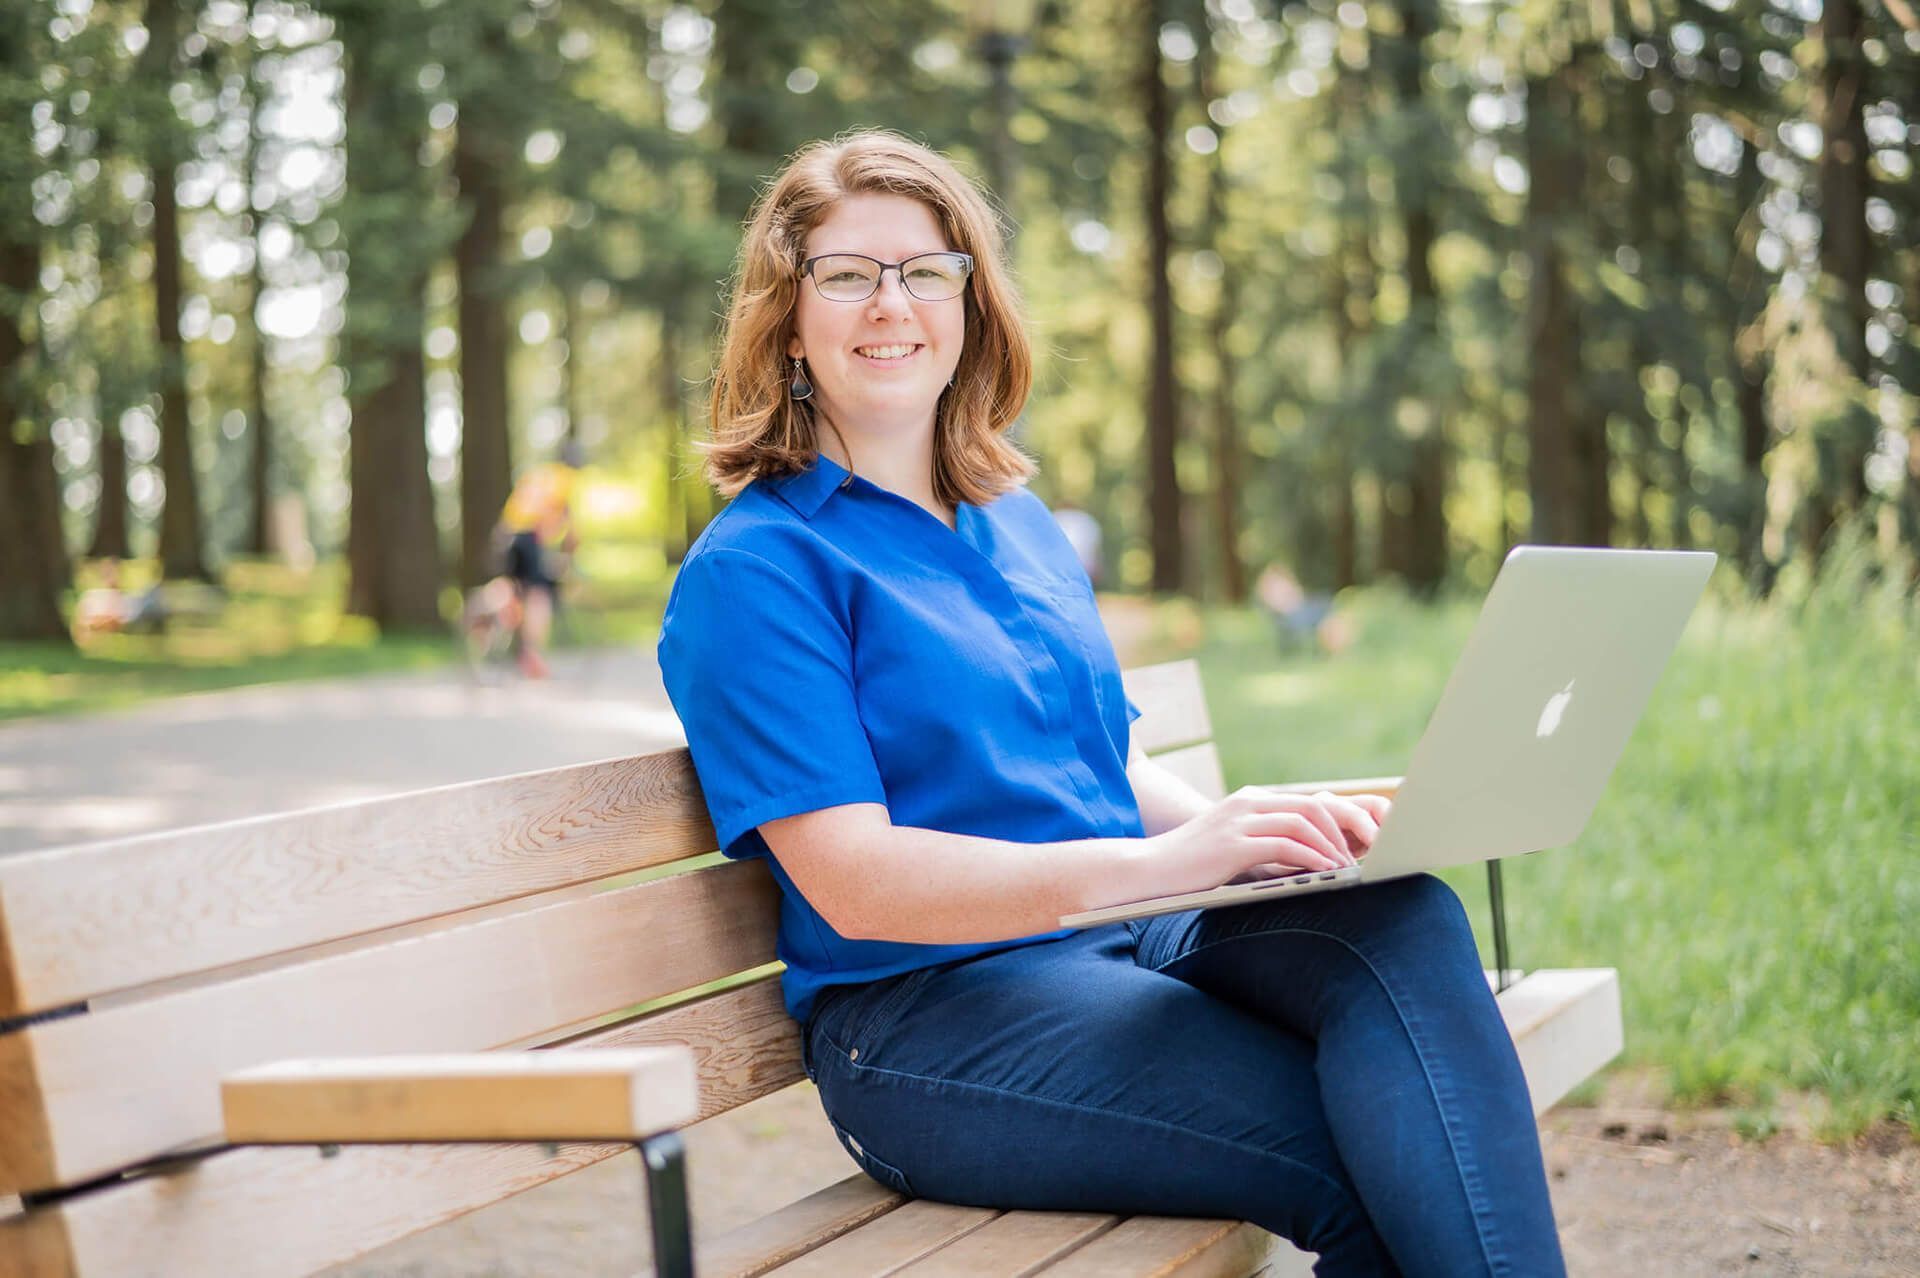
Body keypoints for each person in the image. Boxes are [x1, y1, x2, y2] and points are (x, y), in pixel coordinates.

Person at [656, 131, 1566, 1276]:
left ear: (971, 304)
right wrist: (1164, 868)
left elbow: (1096, 761)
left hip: (1112, 947)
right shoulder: (759, 571)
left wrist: (1253, 838)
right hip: (930, 1022)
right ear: (788, 318)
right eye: (846, 274)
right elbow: (854, 879)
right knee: (1384, 1152)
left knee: (1400, 917)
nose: (890, 303)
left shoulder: (1015, 523)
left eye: (925, 270)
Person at [495, 441, 583, 679]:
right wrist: (568, 557)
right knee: (539, 594)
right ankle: (531, 654)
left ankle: (496, 630)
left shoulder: (539, 475)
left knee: (518, 590)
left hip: (507, 536)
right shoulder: (566, 478)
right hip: (528, 537)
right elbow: (568, 528)